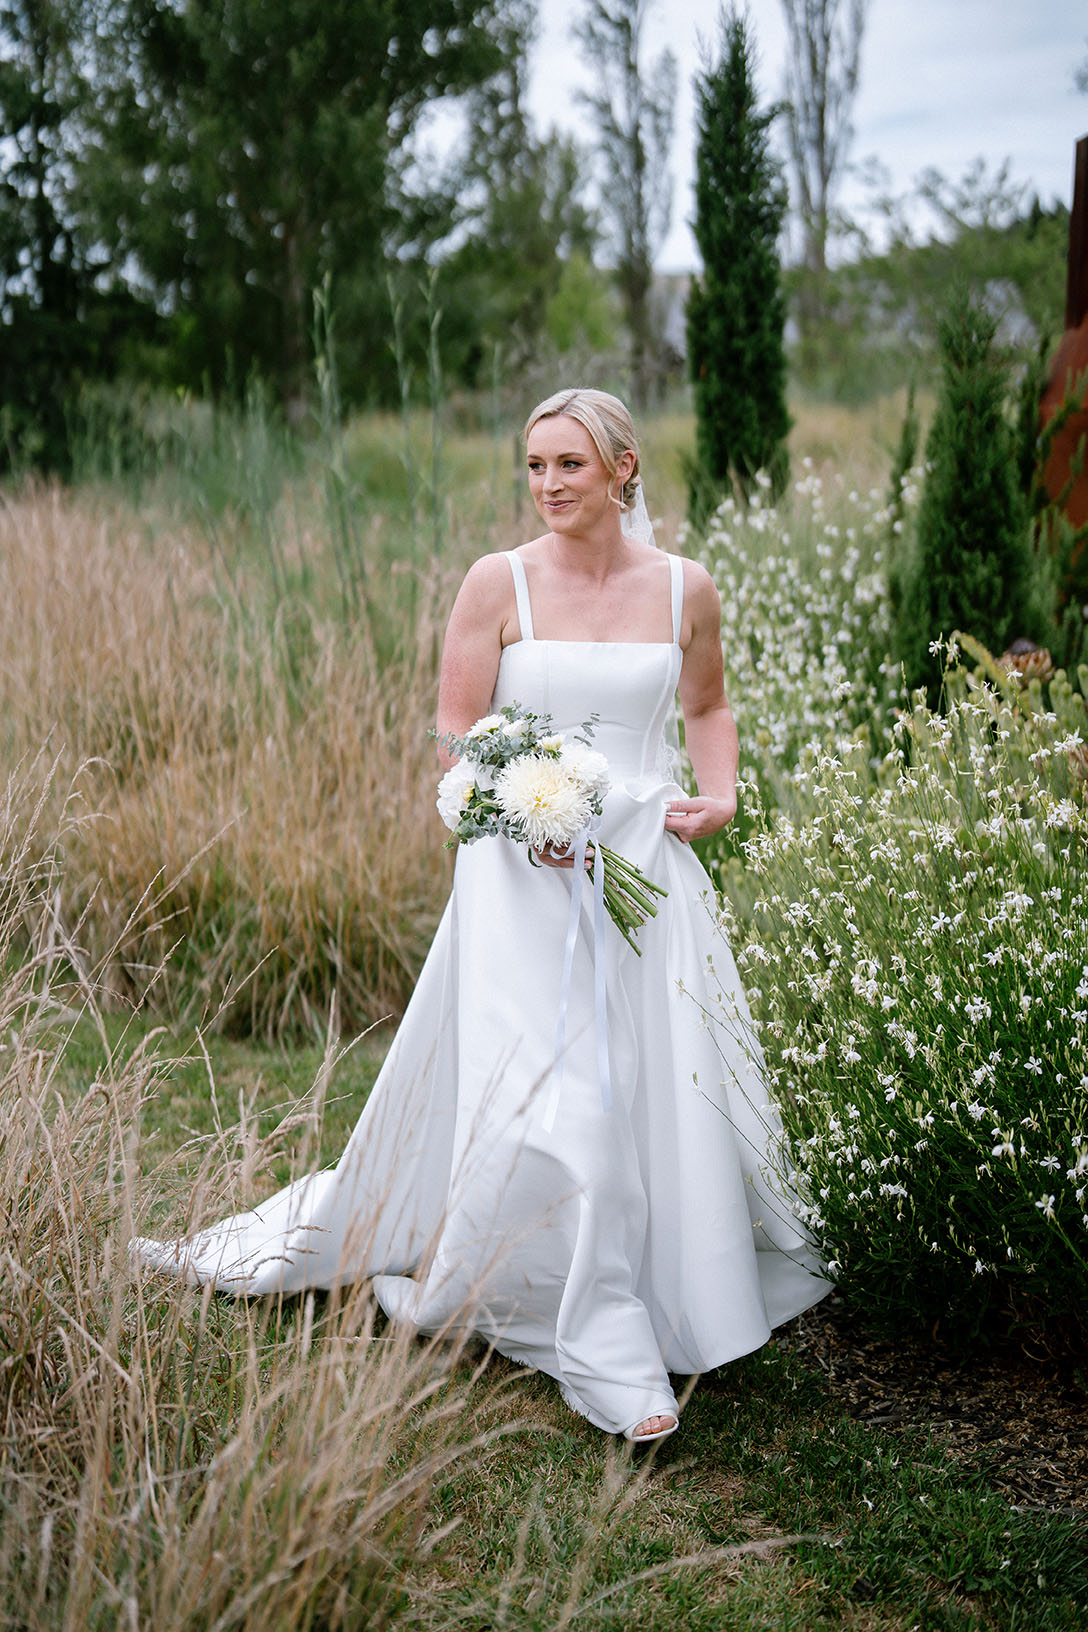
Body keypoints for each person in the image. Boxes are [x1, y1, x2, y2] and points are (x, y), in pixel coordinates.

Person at [132, 387, 827, 1444]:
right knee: (560, 1094)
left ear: (624, 469)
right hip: (518, 880)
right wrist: (517, 811)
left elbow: (704, 706)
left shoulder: (686, 588)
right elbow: (457, 735)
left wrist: (720, 791)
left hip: (644, 868)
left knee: (649, 1085)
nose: (547, 484)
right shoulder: (495, 583)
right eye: (534, 466)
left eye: (570, 466)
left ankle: (641, 1286)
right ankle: (602, 1347)